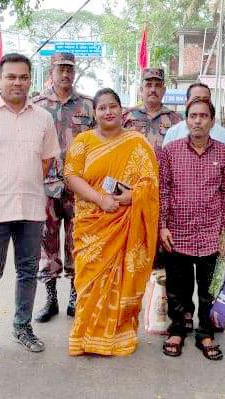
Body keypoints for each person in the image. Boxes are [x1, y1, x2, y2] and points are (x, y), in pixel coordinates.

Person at [0, 53, 60, 362]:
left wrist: (25, 182)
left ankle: (22, 327)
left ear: (30, 79)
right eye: (11, 76)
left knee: (28, 271)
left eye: (23, 76)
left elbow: (46, 161)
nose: (18, 82)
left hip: (31, 207)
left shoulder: (43, 118)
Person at [65, 88, 159, 356]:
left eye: (112, 106)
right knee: (88, 284)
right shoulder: (83, 141)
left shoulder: (138, 143)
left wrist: (131, 197)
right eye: (102, 107)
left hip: (125, 223)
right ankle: (85, 338)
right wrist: (99, 199)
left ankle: (118, 338)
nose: (108, 112)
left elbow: (150, 185)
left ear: (122, 110)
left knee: (120, 281)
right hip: (91, 225)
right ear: (94, 113)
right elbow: (71, 176)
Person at [159, 96, 225, 359]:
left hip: (210, 232)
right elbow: (164, 190)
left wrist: (224, 232)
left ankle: (205, 332)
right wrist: (163, 226)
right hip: (177, 231)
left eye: (203, 116)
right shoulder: (171, 151)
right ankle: (178, 327)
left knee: (208, 288)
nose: (198, 121)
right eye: (193, 116)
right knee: (177, 286)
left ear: (212, 121)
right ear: (186, 120)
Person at [31, 52, 95, 323]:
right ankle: (50, 298)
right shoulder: (36, 105)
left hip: (77, 186)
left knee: (76, 240)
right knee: (46, 240)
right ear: (52, 71)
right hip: (46, 185)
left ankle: (74, 294)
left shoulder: (88, 107)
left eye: (70, 69)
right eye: (61, 69)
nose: (66, 74)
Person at [123, 68, 182, 155]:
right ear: (141, 90)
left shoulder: (176, 119)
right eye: (148, 85)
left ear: (164, 90)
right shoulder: (127, 116)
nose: (153, 90)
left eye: (157, 85)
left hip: (163, 168)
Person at [162, 83, 225, 147]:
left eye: (205, 100)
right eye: (196, 100)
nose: (201, 103)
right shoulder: (173, 133)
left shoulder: (222, 134)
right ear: (186, 104)